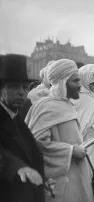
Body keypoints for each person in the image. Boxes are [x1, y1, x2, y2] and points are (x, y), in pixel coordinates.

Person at [25, 59, 94, 202]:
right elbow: (34, 144)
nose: (80, 86)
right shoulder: (46, 107)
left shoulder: (67, 104)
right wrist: (70, 151)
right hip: (59, 183)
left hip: (76, 176)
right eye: (75, 81)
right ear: (63, 82)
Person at [0, 54, 45, 202]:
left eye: (25, 88)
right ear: (1, 90)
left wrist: (42, 182)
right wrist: (18, 167)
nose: (22, 92)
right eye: (14, 87)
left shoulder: (17, 118)